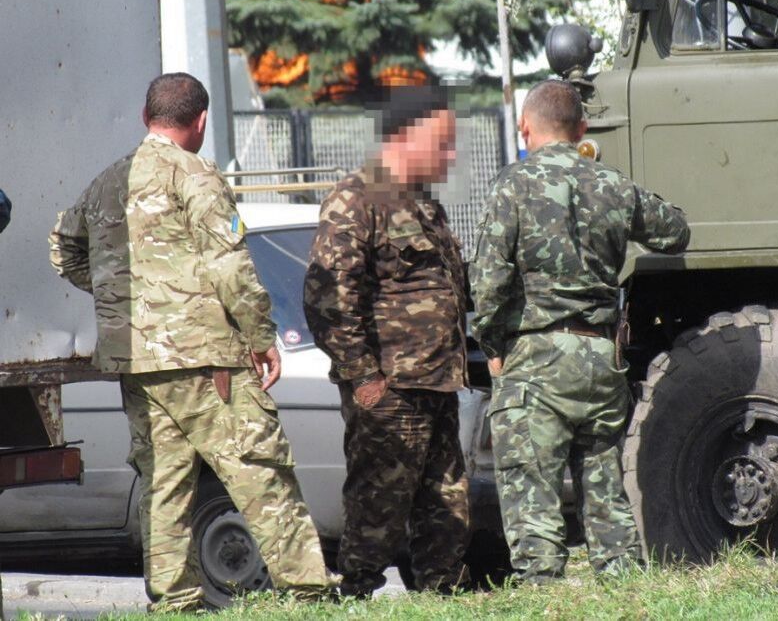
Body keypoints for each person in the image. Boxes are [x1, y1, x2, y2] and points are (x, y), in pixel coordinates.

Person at [49, 73, 335, 611]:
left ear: (145, 117)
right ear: (200, 121)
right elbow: (229, 264)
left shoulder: (110, 180)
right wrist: (260, 337)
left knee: (163, 478)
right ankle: (308, 592)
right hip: (206, 359)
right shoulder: (196, 174)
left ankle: (175, 600)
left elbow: (63, 248)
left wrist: (123, 293)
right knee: (258, 467)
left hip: (137, 359)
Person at [470, 79, 690, 583]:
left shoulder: (513, 184)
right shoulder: (611, 184)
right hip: (600, 359)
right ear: (582, 129)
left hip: (535, 360)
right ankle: (626, 594)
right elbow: (675, 230)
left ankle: (544, 599)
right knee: (605, 492)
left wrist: (493, 344)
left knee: (533, 499)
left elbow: (489, 280)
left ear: (525, 127)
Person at [303, 85, 470, 598]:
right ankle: (355, 595)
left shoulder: (424, 206)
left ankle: (442, 596)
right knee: (380, 504)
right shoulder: (357, 199)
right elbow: (328, 299)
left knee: (447, 502)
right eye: (442, 143)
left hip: (437, 381)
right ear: (406, 136)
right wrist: (363, 377)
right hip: (391, 389)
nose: (451, 155)